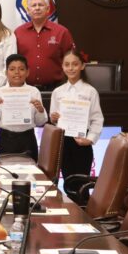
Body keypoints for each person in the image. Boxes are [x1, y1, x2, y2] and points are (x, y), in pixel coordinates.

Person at [50, 49, 104, 197]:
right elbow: (54, 119)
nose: (71, 68)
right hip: (64, 142)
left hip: (82, 142)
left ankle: (84, 210)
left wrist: (90, 139)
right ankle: (70, 209)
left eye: (75, 64)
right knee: (68, 183)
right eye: (67, 64)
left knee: (82, 185)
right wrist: (54, 118)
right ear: (62, 67)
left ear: (82, 66)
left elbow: (97, 119)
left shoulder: (90, 91)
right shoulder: (58, 92)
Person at [0, 54, 48, 161]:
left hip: (28, 139)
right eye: (12, 69)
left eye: (21, 69)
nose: (17, 72)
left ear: (27, 72)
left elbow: (40, 122)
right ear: (6, 73)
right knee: (5, 170)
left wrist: (40, 110)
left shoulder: (34, 92)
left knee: (30, 170)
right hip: (6, 139)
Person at [15, 0, 75, 91]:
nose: (37, 8)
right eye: (34, 5)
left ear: (47, 9)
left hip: (56, 89)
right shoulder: (18, 32)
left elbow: (72, 60)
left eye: (41, 5)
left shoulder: (62, 32)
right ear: (28, 11)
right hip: (25, 89)